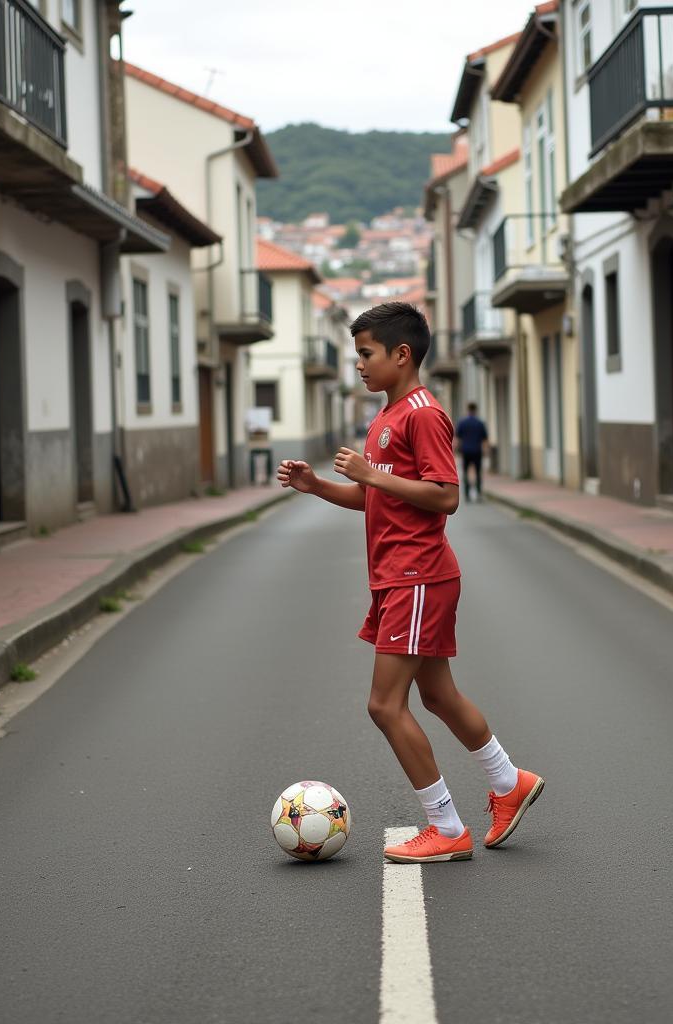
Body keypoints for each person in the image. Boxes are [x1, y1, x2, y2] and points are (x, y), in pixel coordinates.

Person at [277, 302, 543, 864]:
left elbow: (446, 494)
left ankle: (445, 826)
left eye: (366, 354)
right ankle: (508, 783)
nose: (359, 366)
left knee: (384, 705)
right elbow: (374, 497)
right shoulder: (386, 417)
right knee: (438, 693)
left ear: (402, 355)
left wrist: (373, 474)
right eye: (356, 356)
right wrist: (317, 486)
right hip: (403, 578)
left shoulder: (423, 414)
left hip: (416, 574)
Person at [454, 402, 489, 502]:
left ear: (468, 410)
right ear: (475, 410)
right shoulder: (480, 423)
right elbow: (484, 439)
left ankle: (467, 495)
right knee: (478, 473)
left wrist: (455, 451)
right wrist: (486, 452)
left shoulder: (462, 422)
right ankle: (478, 494)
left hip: (465, 451)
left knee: (465, 472)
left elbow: (457, 439)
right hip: (477, 451)